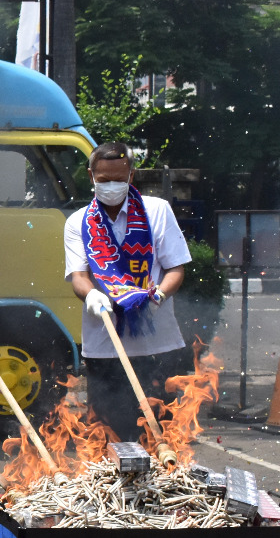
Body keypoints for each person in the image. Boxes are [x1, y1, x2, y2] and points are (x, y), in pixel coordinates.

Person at [65, 142, 190, 442]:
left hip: (156, 345)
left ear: (131, 176)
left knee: (162, 436)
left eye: (119, 179)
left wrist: (158, 295)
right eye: (104, 180)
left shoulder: (157, 211)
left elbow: (176, 269)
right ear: (91, 175)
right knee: (112, 437)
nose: (111, 186)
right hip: (105, 346)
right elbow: (79, 277)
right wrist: (92, 296)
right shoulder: (78, 222)